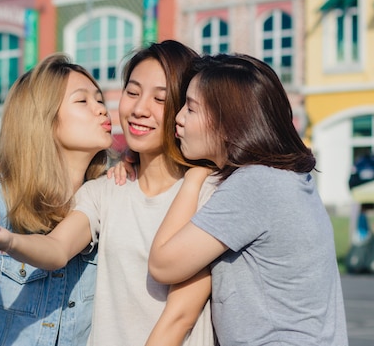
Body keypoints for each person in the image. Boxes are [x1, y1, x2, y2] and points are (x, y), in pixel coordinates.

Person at [0, 40, 216, 346]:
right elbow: (56, 250)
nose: (139, 108)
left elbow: (180, 315)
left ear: (185, 109)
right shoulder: (103, 191)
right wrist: (5, 239)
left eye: (160, 99)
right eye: (132, 92)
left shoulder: (207, 191)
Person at [149, 53, 349, 345]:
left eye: (190, 109)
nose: (178, 118)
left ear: (228, 121)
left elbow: (164, 265)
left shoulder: (256, 184)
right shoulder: (287, 177)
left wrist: (192, 181)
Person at [0, 54, 113, 346]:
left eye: (100, 99)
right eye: (83, 101)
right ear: (43, 119)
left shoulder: (109, 199)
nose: (102, 110)